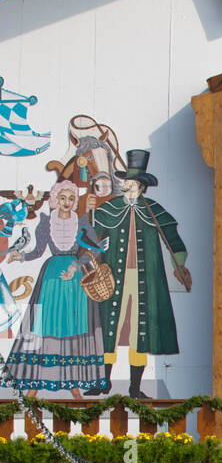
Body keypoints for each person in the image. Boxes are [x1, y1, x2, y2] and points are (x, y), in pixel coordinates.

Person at [90, 150, 190, 398]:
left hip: (145, 280)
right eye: (124, 182)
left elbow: (173, 239)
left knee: (140, 330)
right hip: (113, 279)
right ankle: (105, 383)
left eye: (129, 182)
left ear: (140, 186)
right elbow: (90, 236)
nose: (124, 185)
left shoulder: (153, 209)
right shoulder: (109, 208)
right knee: (109, 327)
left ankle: (135, 388)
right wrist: (91, 252)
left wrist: (180, 262)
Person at [4, 178, 109, 395]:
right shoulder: (45, 222)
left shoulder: (81, 221)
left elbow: (96, 250)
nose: (67, 202)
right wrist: (20, 256)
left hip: (74, 284)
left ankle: (73, 386)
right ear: (55, 200)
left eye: (71, 198)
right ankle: (35, 385)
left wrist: (77, 265)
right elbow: (38, 251)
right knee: (43, 326)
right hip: (51, 277)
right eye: (63, 198)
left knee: (71, 328)